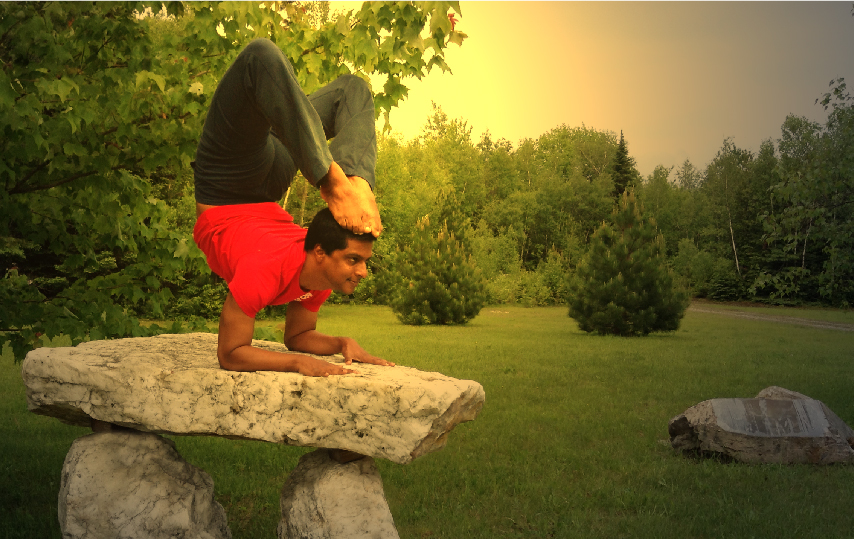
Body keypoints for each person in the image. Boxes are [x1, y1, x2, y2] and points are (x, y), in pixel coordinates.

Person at [191, 38, 393, 377]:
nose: (362, 272)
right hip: (230, 182)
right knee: (263, 60)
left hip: (246, 184)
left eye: (361, 261)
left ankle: (349, 178)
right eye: (354, 260)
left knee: (352, 88)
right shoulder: (264, 271)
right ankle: (338, 181)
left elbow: (297, 336)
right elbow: (231, 353)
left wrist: (341, 343)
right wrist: (300, 364)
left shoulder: (320, 276)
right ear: (320, 252)